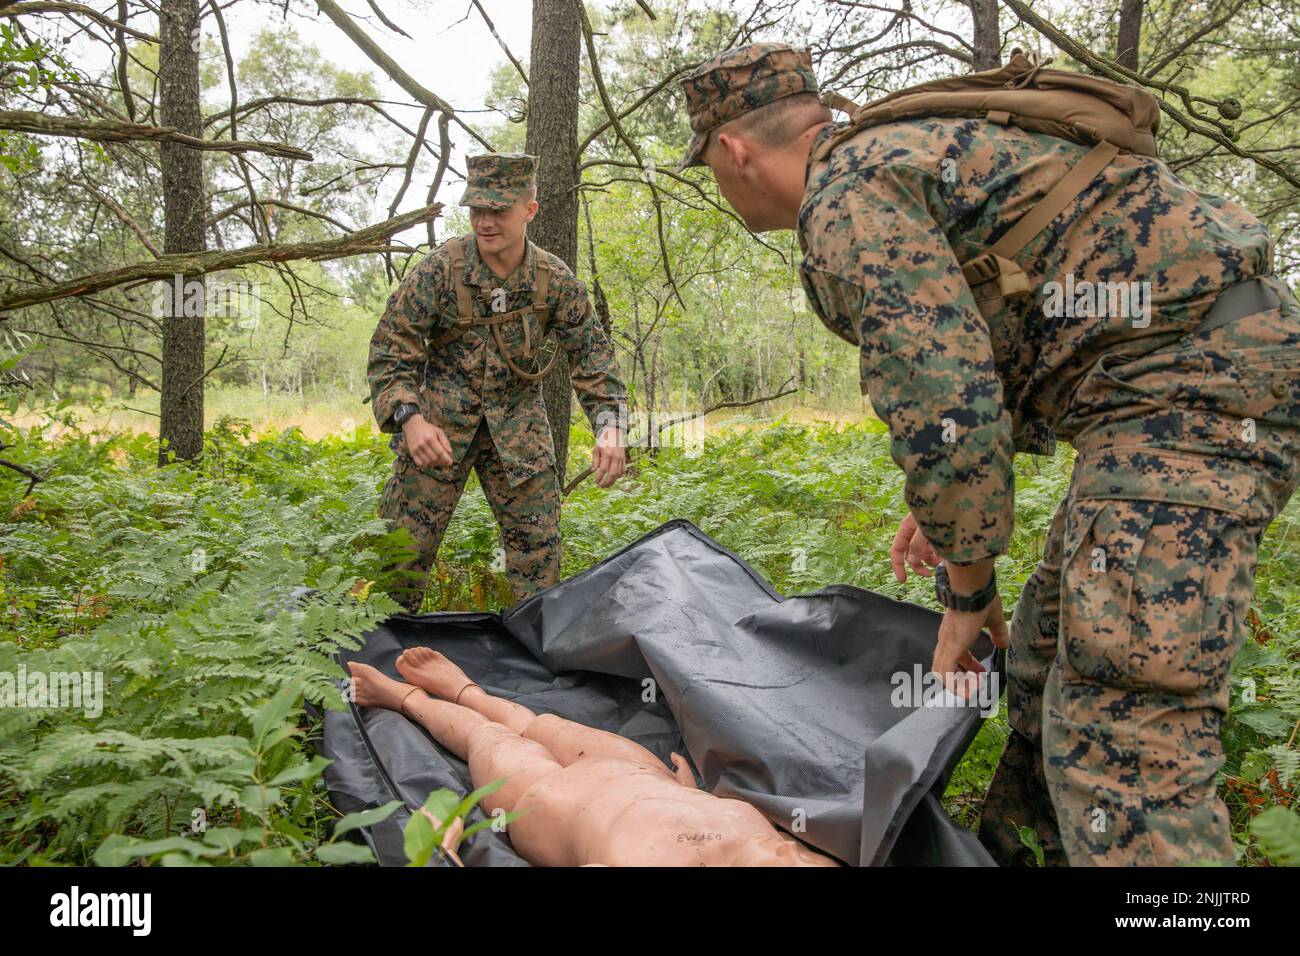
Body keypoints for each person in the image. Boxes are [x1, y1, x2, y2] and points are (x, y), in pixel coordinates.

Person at [676, 42, 1300, 865]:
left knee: (1124, 736)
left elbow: (934, 380)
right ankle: (1022, 855)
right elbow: (985, 342)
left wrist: (966, 585)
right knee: (1048, 646)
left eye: (709, 167)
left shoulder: (849, 195)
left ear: (733, 148)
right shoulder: (899, 152)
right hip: (1181, 380)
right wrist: (938, 507)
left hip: (1189, 392)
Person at [368, 153, 629, 611]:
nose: (485, 222)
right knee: (398, 560)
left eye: (499, 210)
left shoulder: (554, 281)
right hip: (437, 434)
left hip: (519, 437)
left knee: (538, 564)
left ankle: (535, 668)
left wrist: (610, 426)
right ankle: (383, 662)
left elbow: (592, 355)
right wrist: (409, 419)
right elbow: (392, 348)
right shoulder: (441, 271)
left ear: (530, 209)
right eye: (476, 210)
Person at [347, 648, 840, 867]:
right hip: (638, 773)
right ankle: (464, 689)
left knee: (493, 741)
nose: (794, 854)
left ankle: (404, 700)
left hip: (551, 805)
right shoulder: (787, 847)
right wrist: (690, 794)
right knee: (535, 723)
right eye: (801, 856)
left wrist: (446, 854)